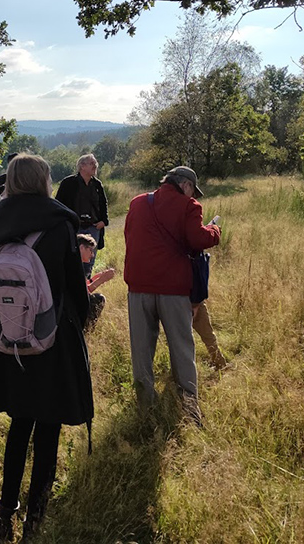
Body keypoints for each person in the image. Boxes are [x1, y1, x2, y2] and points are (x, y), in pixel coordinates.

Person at [0, 154, 93, 543]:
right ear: (44, 180)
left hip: (7, 340)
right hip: (51, 338)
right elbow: (76, 287)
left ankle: (6, 508)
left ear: (10, 180)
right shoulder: (59, 223)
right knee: (48, 427)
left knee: (19, 422)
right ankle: (36, 513)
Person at [123, 166, 221, 424]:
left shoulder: (137, 202)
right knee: (181, 348)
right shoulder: (190, 205)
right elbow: (198, 239)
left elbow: (129, 237)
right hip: (173, 289)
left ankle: (145, 408)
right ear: (186, 185)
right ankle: (190, 408)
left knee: (141, 350)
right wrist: (214, 231)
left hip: (139, 286)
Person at [55, 153, 108, 277]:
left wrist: (104, 221)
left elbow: (103, 203)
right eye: (92, 163)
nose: (95, 166)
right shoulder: (68, 183)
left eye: (95, 163)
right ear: (82, 166)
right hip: (75, 227)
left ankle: (87, 287)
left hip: (93, 227)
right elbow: (59, 204)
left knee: (89, 260)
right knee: (73, 258)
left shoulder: (97, 184)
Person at [77, 233, 114, 330]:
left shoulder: (77, 264)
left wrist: (95, 278)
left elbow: (82, 286)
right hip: (72, 310)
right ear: (81, 248)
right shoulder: (75, 267)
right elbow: (84, 293)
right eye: (90, 250)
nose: (92, 254)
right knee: (98, 299)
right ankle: (86, 329)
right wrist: (101, 280)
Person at [192, 301, 228, 370]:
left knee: (208, 337)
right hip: (189, 304)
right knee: (208, 336)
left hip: (190, 303)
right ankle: (219, 363)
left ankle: (219, 363)